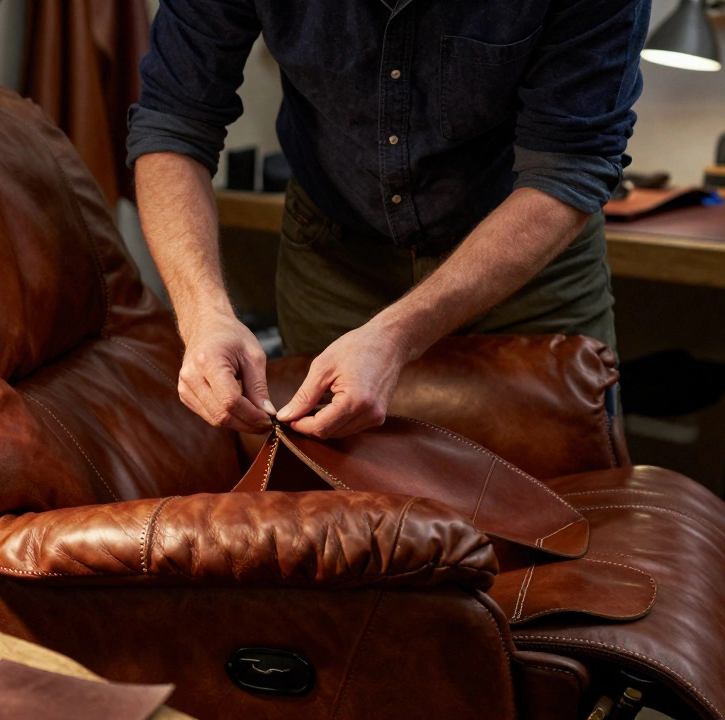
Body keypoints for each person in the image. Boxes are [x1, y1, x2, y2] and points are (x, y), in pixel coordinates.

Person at [127, 1, 650, 440]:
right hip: (333, 257)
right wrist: (203, 314)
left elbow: (570, 165)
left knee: (563, 500)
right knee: (339, 520)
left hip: (526, 267)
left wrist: (396, 335)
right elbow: (173, 122)